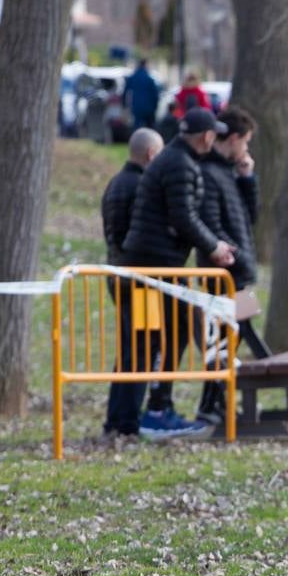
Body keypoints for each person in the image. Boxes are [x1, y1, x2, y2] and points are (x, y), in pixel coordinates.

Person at [121, 107, 235, 438]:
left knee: (174, 331)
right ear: (206, 137)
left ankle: (157, 407)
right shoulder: (181, 165)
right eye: (214, 134)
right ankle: (156, 409)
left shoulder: (178, 161)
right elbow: (183, 215)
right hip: (155, 266)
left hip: (159, 263)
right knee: (165, 336)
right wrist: (215, 246)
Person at [196, 106, 261, 424]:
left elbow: (249, 218)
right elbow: (211, 224)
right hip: (223, 275)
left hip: (240, 272)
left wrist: (248, 179)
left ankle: (221, 402)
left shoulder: (230, 172)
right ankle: (210, 405)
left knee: (234, 339)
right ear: (233, 139)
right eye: (245, 142)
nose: (246, 149)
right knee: (219, 342)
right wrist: (235, 255)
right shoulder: (208, 173)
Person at [101, 128, 163, 438]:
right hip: (139, 280)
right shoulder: (141, 187)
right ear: (151, 154)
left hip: (119, 276)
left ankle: (117, 418)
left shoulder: (116, 183)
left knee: (129, 350)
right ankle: (127, 421)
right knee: (142, 351)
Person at [124, 59, 161, 132]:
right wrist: (156, 106)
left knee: (137, 127)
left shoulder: (133, 77)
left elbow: (125, 91)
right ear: (145, 65)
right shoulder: (149, 78)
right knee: (151, 129)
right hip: (149, 107)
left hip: (136, 106)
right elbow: (155, 94)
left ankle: (136, 142)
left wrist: (124, 104)